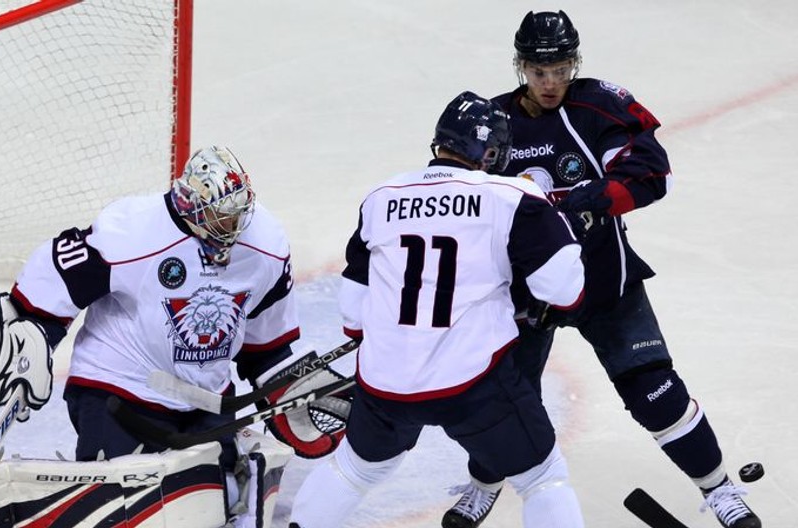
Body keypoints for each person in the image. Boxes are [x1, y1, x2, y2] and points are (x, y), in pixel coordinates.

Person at [444, 10, 760, 528]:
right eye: (540, 71)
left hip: (603, 281)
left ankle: (720, 490)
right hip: (525, 291)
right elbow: (458, 190)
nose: (551, 83)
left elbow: (653, 173)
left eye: (562, 68)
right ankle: (484, 483)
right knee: (502, 398)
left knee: (656, 393)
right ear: (521, 66)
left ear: (575, 62)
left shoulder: (596, 105)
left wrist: (594, 200)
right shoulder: (492, 120)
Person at [0, 145, 347, 524]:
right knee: (123, 509)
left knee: (218, 506)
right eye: (219, 218)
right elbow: (56, 271)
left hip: (205, 402)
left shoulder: (265, 244)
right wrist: (36, 334)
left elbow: (265, 343)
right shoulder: (135, 229)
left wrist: (284, 387)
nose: (231, 228)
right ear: (190, 205)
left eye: (235, 217)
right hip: (120, 391)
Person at [288, 91, 587, 528]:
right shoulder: (511, 196)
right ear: (489, 152)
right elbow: (564, 290)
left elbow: (353, 312)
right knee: (542, 478)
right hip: (474, 383)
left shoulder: (381, 197)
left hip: (385, 383)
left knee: (354, 470)